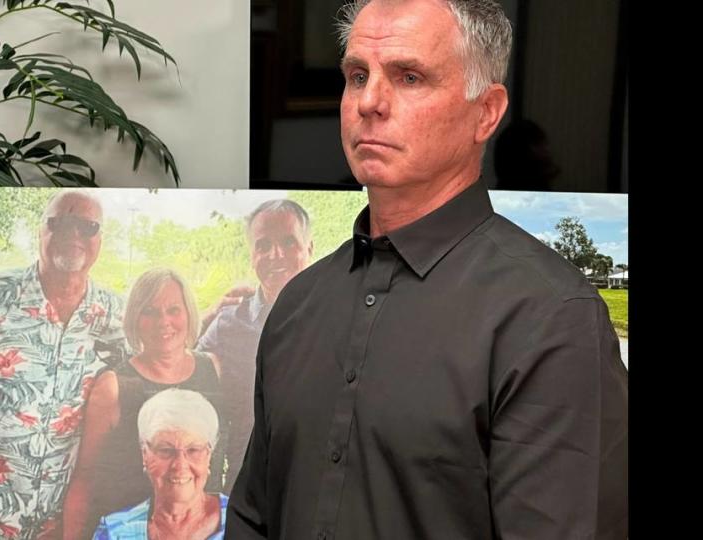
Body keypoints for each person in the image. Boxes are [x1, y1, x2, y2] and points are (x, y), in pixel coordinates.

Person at [225, 1, 628, 539]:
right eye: (357, 76)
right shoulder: (299, 301)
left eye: (409, 77)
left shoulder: (550, 319)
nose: (369, 102)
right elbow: (254, 515)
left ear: (486, 112)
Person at [0, 191, 127, 539]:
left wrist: (213, 316)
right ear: (39, 232)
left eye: (87, 227)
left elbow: (163, 353)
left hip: (59, 523)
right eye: (59, 223)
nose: (72, 234)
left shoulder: (114, 314)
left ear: (100, 240)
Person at [63, 269, 224, 540]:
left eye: (174, 310)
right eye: (150, 312)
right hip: (132, 531)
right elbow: (86, 477)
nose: (164, 321)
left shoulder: (213, 369)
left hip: (206, 528)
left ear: (189, 314)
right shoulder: (114, 387)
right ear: (135, 319)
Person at [196, 200, 312, 491]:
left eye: (289, 242)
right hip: (245, 483)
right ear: (252, 256)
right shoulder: (227, 324)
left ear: (309, 249)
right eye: (263, 245)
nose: (276, 255)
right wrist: (206, 316)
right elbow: (179, 366)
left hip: (316, 481)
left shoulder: (338, 313)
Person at [93, 389, 228, 540]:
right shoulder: (115, 531)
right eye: (166, 450)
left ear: (208, 455)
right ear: (145, 454)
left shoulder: (244, 520)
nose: (180, 464)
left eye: (193, 450)